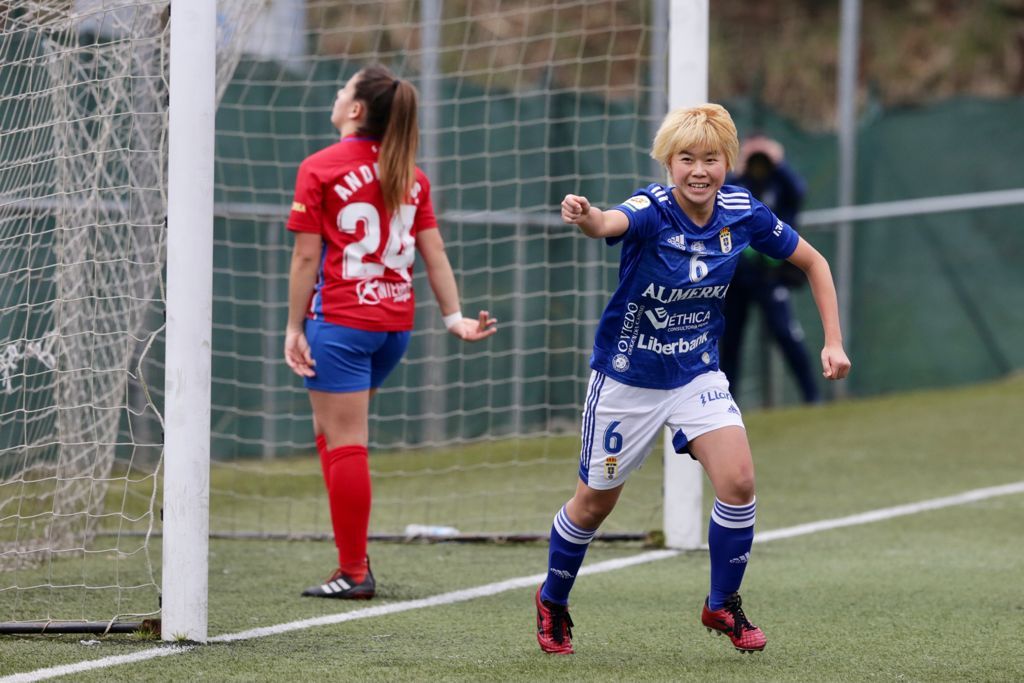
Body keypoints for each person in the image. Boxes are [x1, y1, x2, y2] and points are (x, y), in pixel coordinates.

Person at [538, 104, 850, 654]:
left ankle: (721, 604)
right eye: (687, 159)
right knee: (594, 504)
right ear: (668, 162)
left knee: (740, 482)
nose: (699, 170)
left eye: (711, 158)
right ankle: (554, 599)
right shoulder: (652, 209)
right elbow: (608, 222)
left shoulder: (743, 211)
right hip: (627, 380)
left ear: (728, 161)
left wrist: (833, 341)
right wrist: (585, 214)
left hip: (696, 374)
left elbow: (815, 263)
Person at [284, 64, 497, 600]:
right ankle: (351, 561)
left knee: (346, 442)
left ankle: (354, 571)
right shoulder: (411, 174)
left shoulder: (320, 167)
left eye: (343, 89)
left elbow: (307, 255)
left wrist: (293, 326)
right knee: (336, 437)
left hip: (340, 323)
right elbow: (435, 252)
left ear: (356, 110)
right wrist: (454, 318)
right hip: (393, 329)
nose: (336, 94)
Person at [719, 135, 821, 403]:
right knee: (729, 341)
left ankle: (813, 397)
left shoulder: (780, 183)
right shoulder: (738, 185)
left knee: (786, 333)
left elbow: (799, 192)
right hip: (738, 278)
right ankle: (726, 404)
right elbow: (719, 199)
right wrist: (739, 166)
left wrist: (778, 161)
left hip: (771, 277)